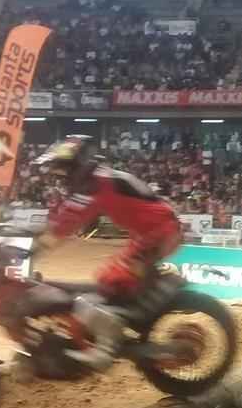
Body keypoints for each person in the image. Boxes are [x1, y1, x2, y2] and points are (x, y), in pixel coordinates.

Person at [34, 135, 182, 370]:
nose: (63, 177)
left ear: (79, 165)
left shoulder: (99, 183)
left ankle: (104, 350)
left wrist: (36, 248)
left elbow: (66, 223)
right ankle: (120, 326)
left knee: (116, 282)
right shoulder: (99, 179)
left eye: (65, 170)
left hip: (160, 233)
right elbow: (64, 218)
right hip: (149, 235)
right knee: (106, 281)